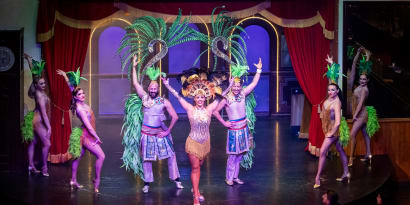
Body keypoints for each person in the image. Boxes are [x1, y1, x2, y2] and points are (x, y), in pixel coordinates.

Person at [162, 68, 232, 205]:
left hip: (206, 143)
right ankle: (195, 196)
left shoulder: (210, 109)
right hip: (193, 142)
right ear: (194, 98)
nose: (200, 99)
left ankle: (196, 190)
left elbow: (221, 95)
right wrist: (167, 85)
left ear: (205, 98)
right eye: (197, 97)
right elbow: (178, 96)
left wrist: (229, 85)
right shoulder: (189, 108)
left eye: (202, 97)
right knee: (195, 168)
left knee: (199, 165)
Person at [128, 56, 183, 193]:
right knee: (147, 160)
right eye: (151, 88)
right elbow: (135, 83)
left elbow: (175, 117)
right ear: (148, 88)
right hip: (146, 134)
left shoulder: (163, 101)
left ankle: (176, 180)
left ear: (158, 89)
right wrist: (134, 66)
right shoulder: (144, 97)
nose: (153, 90)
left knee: (171, 155)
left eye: (155, 88)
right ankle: (146, 183)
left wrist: (167, 131)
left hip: (160, 134)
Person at [213, 58, 262, 185]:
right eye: (233, 86)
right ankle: (228, 178)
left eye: (238, 86)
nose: (236, 88)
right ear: (231, 86)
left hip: (243, 128)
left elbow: (254, 84)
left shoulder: (243, 94)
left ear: (241, 86)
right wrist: (224, 123)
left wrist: (259, 70)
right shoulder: (226, 98)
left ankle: (235, 177)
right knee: (233, 155)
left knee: (240, 154)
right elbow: (215, 111)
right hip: (233, 130)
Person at [57, 69, 105, 193]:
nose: (82, 95)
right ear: (75, 97)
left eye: (83, 93)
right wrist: (96, 137)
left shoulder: (78, 100)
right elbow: (89, 126)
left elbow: (72, 87)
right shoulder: (80, 109)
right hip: (86, 135)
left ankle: (73, 180)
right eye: (80, 94)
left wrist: (64, 76)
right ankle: (96, 180)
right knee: (101, 156)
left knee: (78, 157)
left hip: (85, 133)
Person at [314, 55, 350, 189]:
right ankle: (346, 173)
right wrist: (332, 63)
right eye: (329, 89)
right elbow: (332, 78)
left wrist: (331, 134)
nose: (330, 91)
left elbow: (338, 122)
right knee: (340, 150)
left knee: (323, 151)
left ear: (337, 91)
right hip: (328, 128)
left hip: (333, 131)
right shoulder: (329, 98)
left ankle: (317, 177)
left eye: (333, 90)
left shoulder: (336, 103)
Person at [347, 47, 380, 166]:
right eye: (360, 79)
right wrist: (358, 53)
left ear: (368, 80)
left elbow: (360, 103)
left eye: (364, 79)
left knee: (352, 135)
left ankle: (351, 158)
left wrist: (354, 115)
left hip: (361, 114)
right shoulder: (360, 87)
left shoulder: (364, 90)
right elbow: (355, 64)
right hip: (361, 113)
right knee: (365, 134)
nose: (362, 81)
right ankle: (368, 155)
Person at [22, 54, 51, 177]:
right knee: (47, 144)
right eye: (41, 84)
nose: (44, 85)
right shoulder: (40, 96)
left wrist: (29, 60)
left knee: (33, 143)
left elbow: (35, 76)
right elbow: (44, 114)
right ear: (37, 85)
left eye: (44, 83)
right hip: (37, 120)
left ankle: (31, 165)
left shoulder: (38, 89)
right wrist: (49, 127)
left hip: (33, 118)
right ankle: (44, 168)